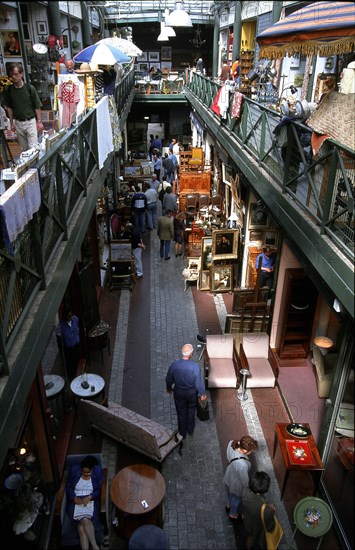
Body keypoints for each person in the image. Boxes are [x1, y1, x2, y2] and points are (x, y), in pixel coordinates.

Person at [165, 343, 206, 438]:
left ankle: (182, 433)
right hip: (191, 393)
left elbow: (168, 379)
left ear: (182, 353)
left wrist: (169, 388)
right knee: (191, 410)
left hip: (178, 392)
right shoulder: (195, 367)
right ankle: (190, 430)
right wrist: (202, 393)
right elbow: (198, 383)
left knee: (181, 412)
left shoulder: (174, 365)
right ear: (191, 354)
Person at [3, 62, 43, 152]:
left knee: (33, 149)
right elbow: (9, 107)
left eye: (16, 74)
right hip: (18, 123)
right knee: (23, 150)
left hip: (30, 121)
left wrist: (39, 122)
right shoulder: (9, 90)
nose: (14, 77)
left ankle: (35, 166)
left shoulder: (29, 88)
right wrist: (11, 122)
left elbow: (37, 106)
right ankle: (28, 166)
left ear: (21, 74)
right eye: (12, 74)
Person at [65, 455, 103, 550]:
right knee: (84, 520)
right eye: (84, 472)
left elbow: (99, 490)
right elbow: (69, 487)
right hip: (76, 502)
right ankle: (95, 546)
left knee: (81, 527)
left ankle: (93, 546)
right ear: (81, 469)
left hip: (90, 501)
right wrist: (74, 498)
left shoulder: (97, 472)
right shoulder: (74, 471)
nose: (86, 474)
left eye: (88, 472)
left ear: (92, 470)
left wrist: (90, 496)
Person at [223, 435, 258, 520]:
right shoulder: (242, 465)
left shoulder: (232, 443)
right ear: (245, 450)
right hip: (236, 484)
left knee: (231, 494)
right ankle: (233, 515)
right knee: (236, 499)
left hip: (229, 474)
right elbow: (244, 481)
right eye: (251, 451)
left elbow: (228, 455)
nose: (251, 452)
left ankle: (228, 505)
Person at [242, 471, 276, 550]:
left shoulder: (245, 491)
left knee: (250, 536)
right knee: (258, 539)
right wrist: (272, 512)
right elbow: (270, 526)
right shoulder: (265, 509)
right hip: (257, 527)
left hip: (248, 521)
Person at [59, 305, 80, 379]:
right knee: (70, 364)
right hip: (68, 349)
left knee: (76, 360)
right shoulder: (61, 325)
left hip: (76, 345)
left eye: (71, 315)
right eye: (68, 316)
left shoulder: (75, 319)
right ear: (64, 316)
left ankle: (75, 373)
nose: (70, 317)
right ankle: (72, 376)